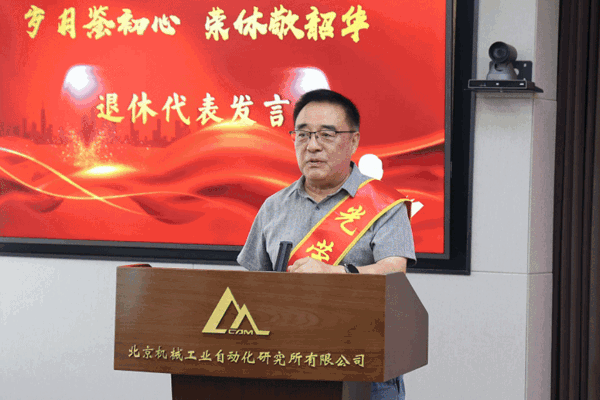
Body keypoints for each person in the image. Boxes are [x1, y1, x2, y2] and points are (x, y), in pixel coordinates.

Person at [237, 89, 415, 400]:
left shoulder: (384, 204)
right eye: (303, 134)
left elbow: (394, 272)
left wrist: (335, 272)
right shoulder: (274, 207)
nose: (313, 146)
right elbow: (252, 284)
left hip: (362, 364)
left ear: (354, 141)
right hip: (285, 364)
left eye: (326, 135)